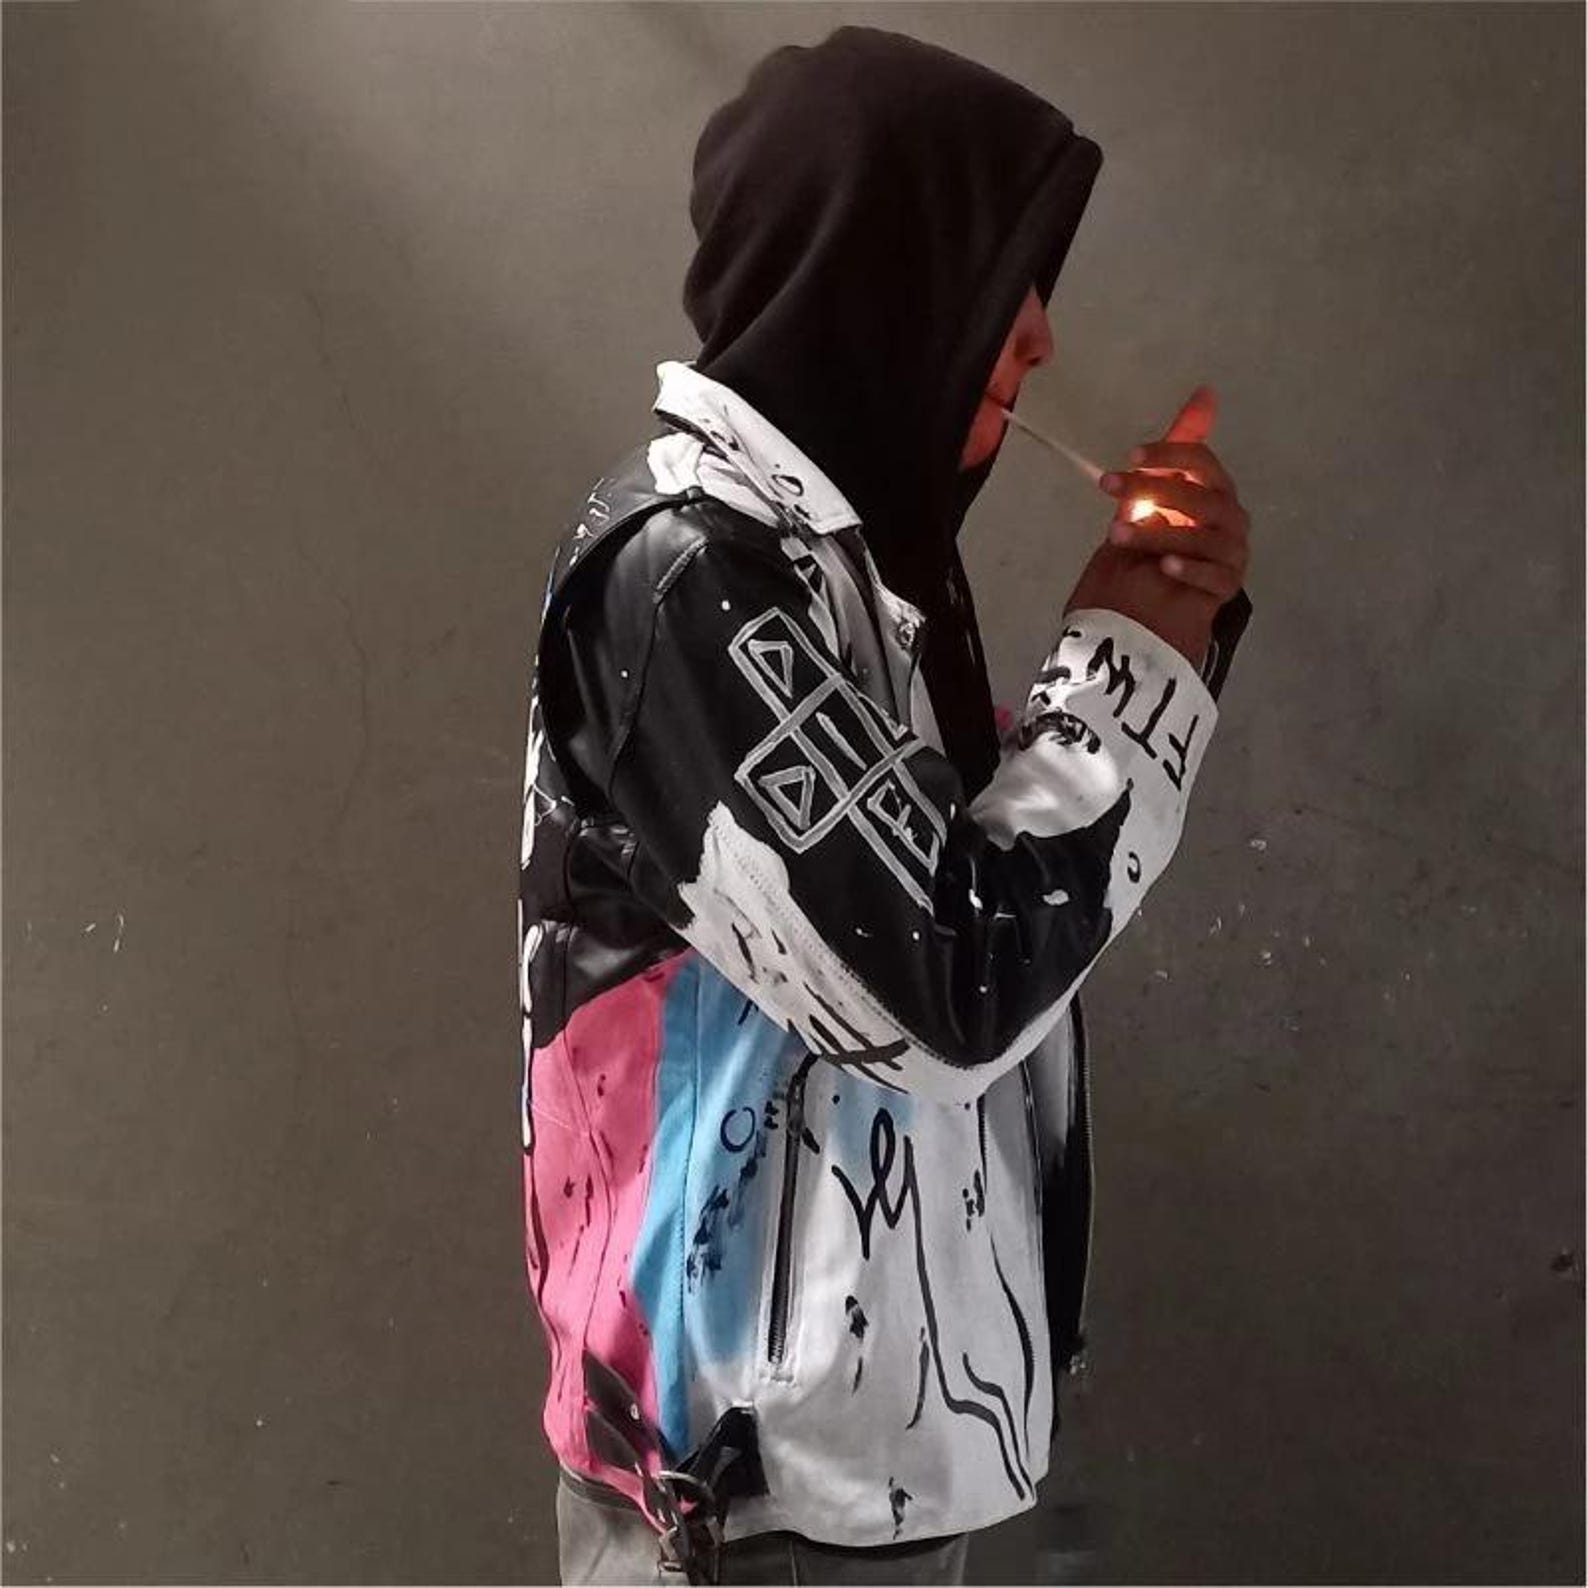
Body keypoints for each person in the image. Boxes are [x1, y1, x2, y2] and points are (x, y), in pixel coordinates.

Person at [516, 25, 1252, 1586]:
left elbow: (972, 918)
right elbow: (950, 983)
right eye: (1000, 274)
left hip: (870, 1479)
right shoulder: (685, 581)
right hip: (750, 1509)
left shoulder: (864, 578)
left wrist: (1156, 625)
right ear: (873, 285)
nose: (1039, 332)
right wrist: (1135, 658)